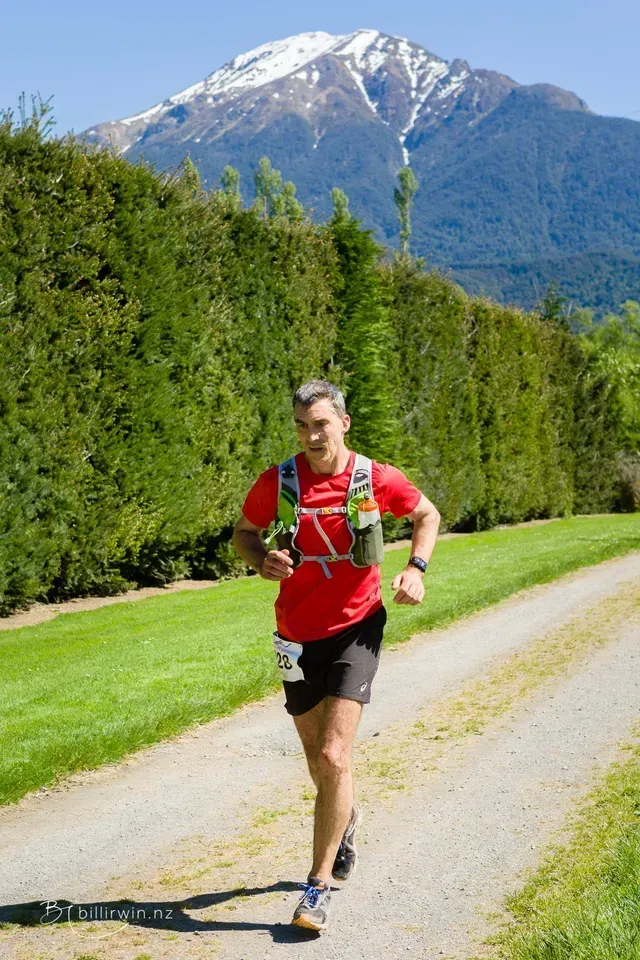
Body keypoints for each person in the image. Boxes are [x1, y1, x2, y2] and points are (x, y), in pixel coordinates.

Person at [231, 380, 441, 932]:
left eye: (320, 423)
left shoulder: (375, 478)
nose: (311, 435)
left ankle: (316, 888)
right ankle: (344, 817)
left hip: (357, 626)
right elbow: (245, 533)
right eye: (302, 425)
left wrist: (415, 569)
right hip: (295, 634)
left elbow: (427, 515)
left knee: (331, 755)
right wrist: (261, 561)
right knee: (316, 757)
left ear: (343, 422)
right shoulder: (278, 481)